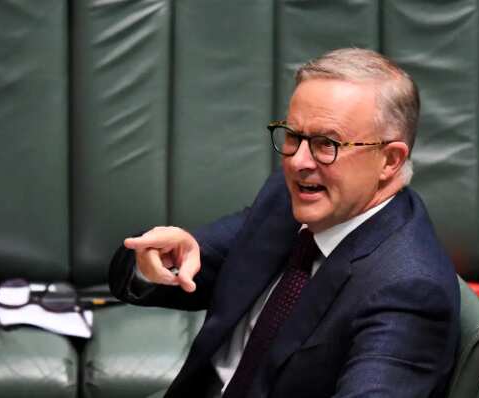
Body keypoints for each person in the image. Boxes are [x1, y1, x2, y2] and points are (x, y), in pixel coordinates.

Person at [109, 48, 460, 398]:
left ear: (389, 160)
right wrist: (155, 259)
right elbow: (188, 266)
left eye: (327, 144)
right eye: (293, 136)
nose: (298, 162)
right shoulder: (292, 199)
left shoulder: (411, 291)